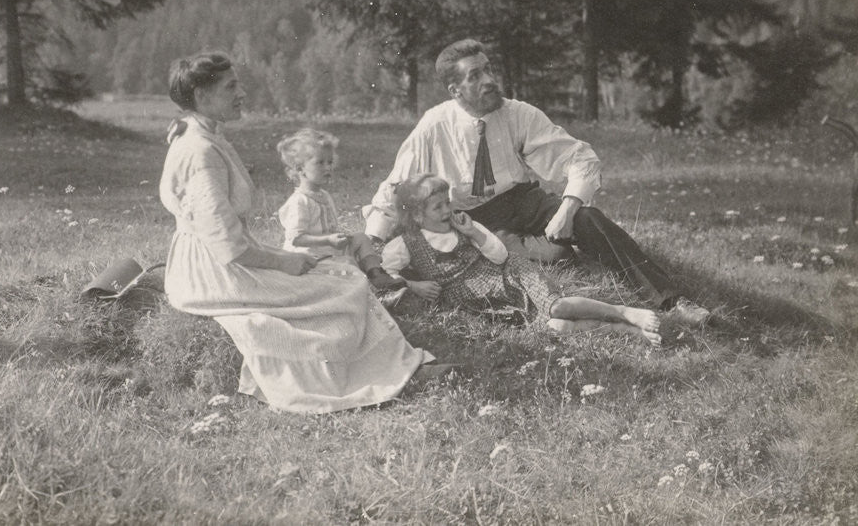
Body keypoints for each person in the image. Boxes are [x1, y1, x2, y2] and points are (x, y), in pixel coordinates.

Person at [159, 51, 440, 414]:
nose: (242, 93)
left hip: (212, 258)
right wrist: (284, 261)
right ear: (201, 96)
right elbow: (228, 247)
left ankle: (387, 365)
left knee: (340, 276)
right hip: (213, 271)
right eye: (231, 87)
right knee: (343, 287)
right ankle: (368, 376)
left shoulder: (198, 132)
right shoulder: (200, 151)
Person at [364, 38, 709, 324]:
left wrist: (568, 211)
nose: (489, 80)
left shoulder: (518, 113)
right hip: (473, 217)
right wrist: (372, 241)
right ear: (455, 90)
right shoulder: (434, 125)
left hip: (523, 200)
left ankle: (671, 302)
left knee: (588, 219)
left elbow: (580, 158)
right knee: (540, 256)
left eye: (489, 69)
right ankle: (559, 255)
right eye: (475, 76)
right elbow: (397, 185)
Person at [382, 174, 662, 345]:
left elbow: (500, 255)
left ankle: (623, 312)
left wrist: (473, 233)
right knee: (557, 328)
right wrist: (412, 284)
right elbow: (382, 276)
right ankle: (625, 330)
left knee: (558, 307)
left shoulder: (464, 225)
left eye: (447, 203)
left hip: (510, 276)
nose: (447, 211)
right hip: (483, 302)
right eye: (438, 207)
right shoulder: (405, 244)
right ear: (417, 215)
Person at [276, 128, 406, 292]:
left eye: (330, 162)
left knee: (361, 238)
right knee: (349, 268)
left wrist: (338, 237)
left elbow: (327, 228)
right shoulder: (299, 202)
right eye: (320, 163)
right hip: (310, 258)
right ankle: (370, 293)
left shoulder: (323, 195)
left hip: (327, 251)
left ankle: (377, 275)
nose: (327, 168)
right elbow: (296, 238)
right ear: (300, 169)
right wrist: (328, 240)